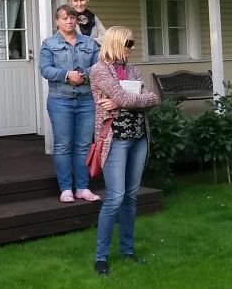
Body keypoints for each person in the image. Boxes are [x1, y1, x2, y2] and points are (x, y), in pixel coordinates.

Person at [89, 26, 159, 276]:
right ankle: (101, 257)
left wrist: (120, 102)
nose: (132, 47)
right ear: (117, 43)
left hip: (139, 138)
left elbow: (153, 98)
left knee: (130, 197)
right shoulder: (99, 70)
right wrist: (129, 99)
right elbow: (132, 98)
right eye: (129, 43)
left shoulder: (131, 69)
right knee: (115, 197)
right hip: (115, 140)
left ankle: (128, 251)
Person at [39, 4, 101, 203]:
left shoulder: (90, 43)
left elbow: (99, 66)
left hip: (86, 100)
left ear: (76, 20)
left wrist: (83, 74)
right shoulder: (49, 44)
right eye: (64, 18)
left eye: (72, 17)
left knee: (83, 145)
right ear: (57, 21)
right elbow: (45, 69)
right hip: (60, 100)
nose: (69, 21)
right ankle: (66, 189)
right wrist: (67, 75)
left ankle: (82, 188)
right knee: (63, 145)